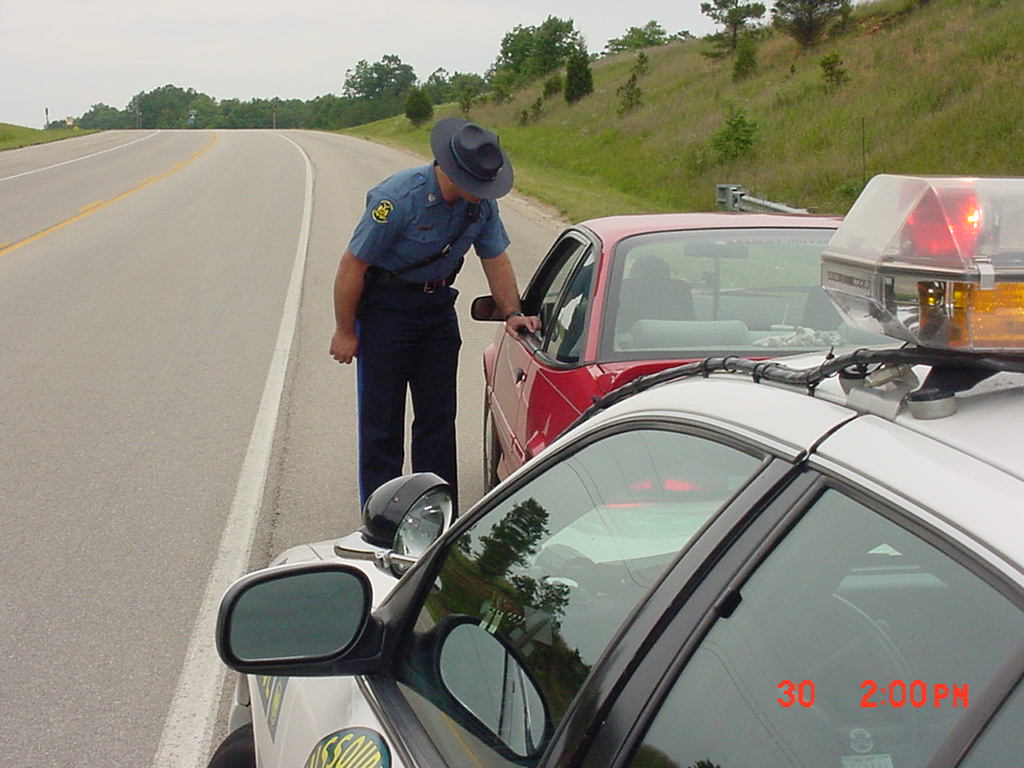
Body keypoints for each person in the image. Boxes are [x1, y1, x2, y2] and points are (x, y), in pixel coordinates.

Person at [330, 117, 540, 506]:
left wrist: (513, 312)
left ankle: (436, 513)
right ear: (453, 172)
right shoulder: (396, 200)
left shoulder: (481, 208)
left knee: (438, 419)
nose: (483, 192)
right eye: (477, 184)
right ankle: (381, 515)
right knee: (382, 422)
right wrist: (346, 330)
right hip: (386, 312)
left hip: (437, 311)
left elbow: (495, 257)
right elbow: (352, 266)